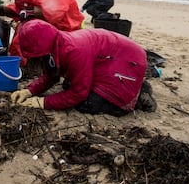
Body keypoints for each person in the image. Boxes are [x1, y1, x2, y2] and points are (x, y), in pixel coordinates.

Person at [10, 19, 157, 116]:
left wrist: (43, 102)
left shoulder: (73, 51)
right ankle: (136, 86)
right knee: (68, 85)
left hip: (128, 59)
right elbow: (52, 74)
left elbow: (78, 94)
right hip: (109, 57)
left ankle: (139, 96)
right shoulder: (54, 44)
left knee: (87, 104)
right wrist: (29, 91)